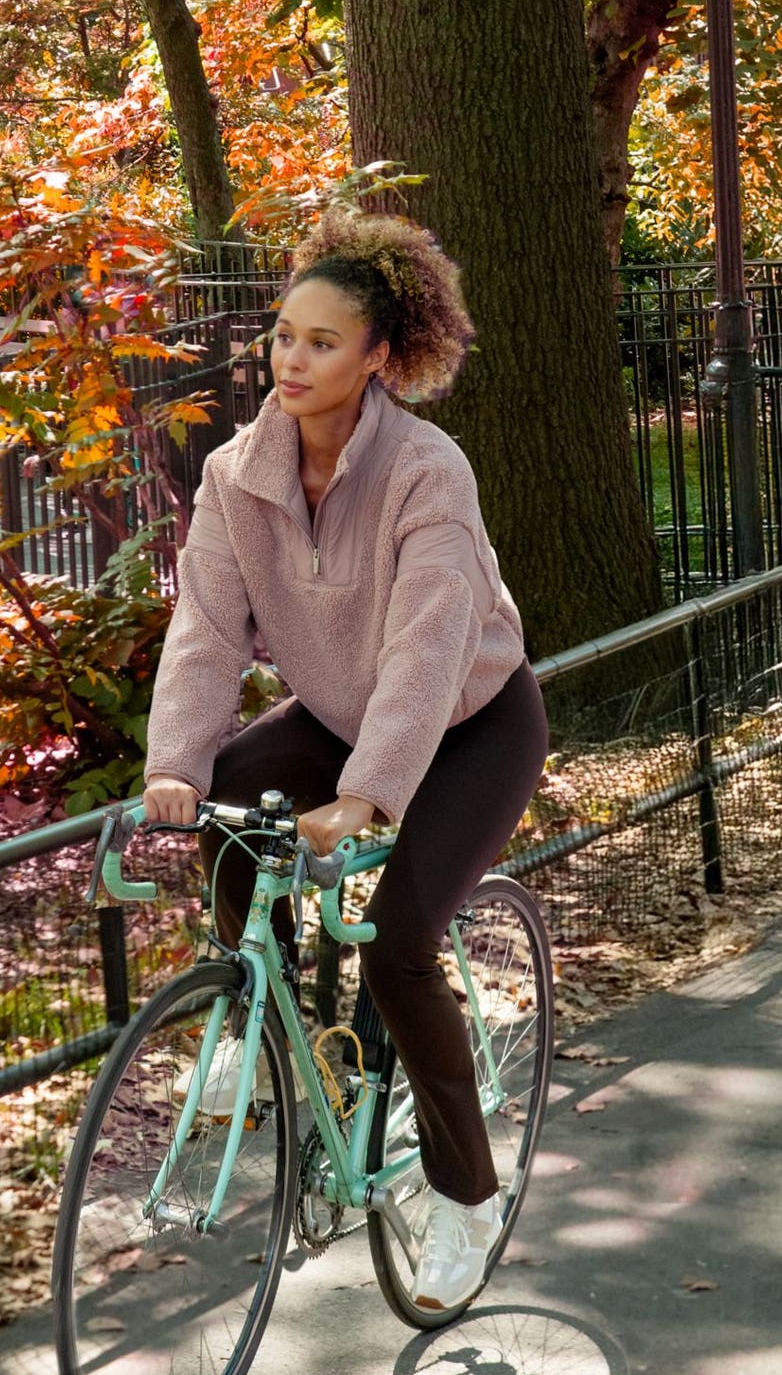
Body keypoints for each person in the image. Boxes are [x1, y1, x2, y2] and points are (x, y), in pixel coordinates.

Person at [140, 209, 548, 1311]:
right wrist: (175, 764)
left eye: (322, 342)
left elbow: (427, 644)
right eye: (284, 335)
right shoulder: (236, 475)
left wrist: (367, 795)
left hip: (470, 722)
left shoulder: (427, 469)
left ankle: (465, 1199)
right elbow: (206, 629)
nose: (293, 359)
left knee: (397, 949)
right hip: (334, 708)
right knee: (226, 801)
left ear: (377, 356)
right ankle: (260, 1025)